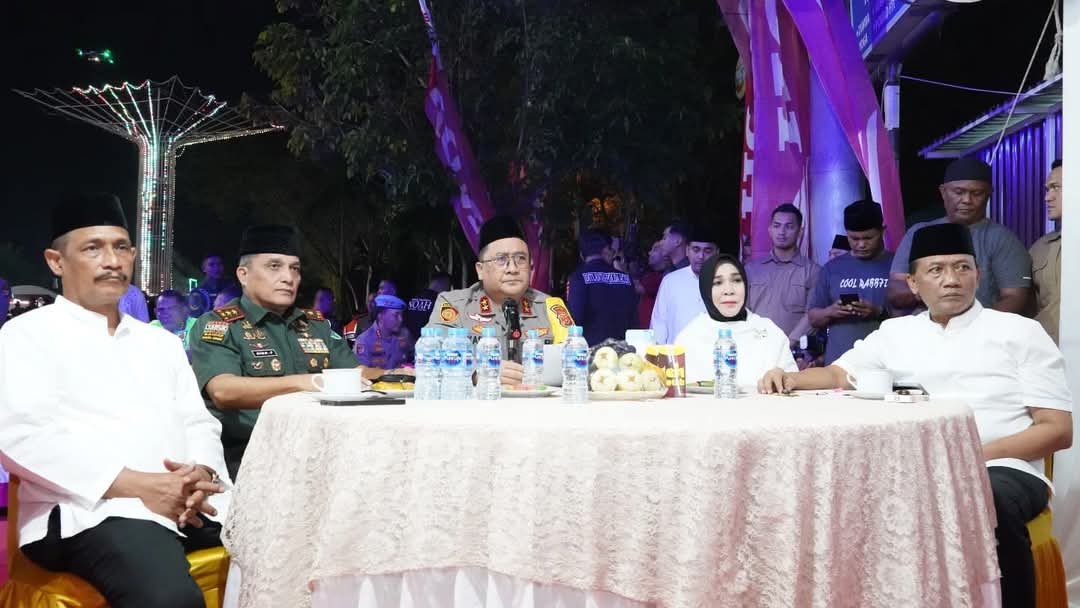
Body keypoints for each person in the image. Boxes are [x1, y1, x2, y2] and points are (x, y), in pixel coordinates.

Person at [759, 222, 1072, 608]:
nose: (951, 279)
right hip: (916, 464)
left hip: (1002, 467)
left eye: (962, 267)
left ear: (977, 275)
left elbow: (1057, 429)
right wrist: (789, 377)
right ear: (913, 283)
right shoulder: (896, 333)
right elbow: (840, 374)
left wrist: (970, 456)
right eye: (936, 270)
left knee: (986, 497)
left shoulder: (1021, 332)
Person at [0, 193, 230, 607]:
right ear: (56, 261)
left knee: (282, 548)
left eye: (121, 247)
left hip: (185, 499)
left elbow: (199, 422)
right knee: (168, 599)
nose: (112, 261)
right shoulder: (25, 336)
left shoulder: (159, 343)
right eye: (93, 248)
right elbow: (20, 437)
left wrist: (200, 473)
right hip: (84, 510)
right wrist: (140, 487)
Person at [188, 225, 363, 479]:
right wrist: (306, 383)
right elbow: (223, 391)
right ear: (243, 274)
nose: (288, 278)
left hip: (321, 447)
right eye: (274, 266)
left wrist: (400, 375)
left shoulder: (315, 325)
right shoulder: (220, 324)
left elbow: (358, 374)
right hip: (249, 453)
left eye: (295, 269)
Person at [427, 216, 566, 385]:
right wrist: (477, 373)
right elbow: (429, 358)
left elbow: (576, 358)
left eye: (520, 259)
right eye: (501, 260)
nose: (512, 269)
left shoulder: (549, 306)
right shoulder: (455, 305)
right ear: (480, 270)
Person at [887, 157, 1031, 315]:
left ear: (989, 194)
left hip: (980, 329)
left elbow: (1015, 298)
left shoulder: (1002, 239)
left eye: (977, 193)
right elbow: (895, 291)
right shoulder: (919, 233)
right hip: (925, 328)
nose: (967, 200)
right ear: (943, 192)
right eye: (959, 192)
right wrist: (938, 293)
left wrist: (974, 327)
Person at [675, 253, 797, 385]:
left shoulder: (770, 332)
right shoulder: (689, 337)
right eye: (718, 282)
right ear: (705, 289)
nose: (729, 290)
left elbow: (791, 383)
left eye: (737, 280)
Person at [808, 200, 894, 365]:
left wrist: (878, 312)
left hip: (884, 363)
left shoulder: (896, 265)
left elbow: (915, 318)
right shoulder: (831, 268)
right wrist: (831, 311)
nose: (861, 244)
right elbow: (813, 318)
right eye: (854, 238)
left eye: (868, 238)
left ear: (882, 231)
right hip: (838, 365)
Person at [745, 203, 821, 344]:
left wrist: (789, 343)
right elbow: (744, 311)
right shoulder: (751, 270)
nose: (782, 232)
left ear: (800, 231)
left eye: (789, 226)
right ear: (769, 230)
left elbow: (812, 315)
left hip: (793, 349)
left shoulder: (813, 271)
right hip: (755, 345)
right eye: (777, 226)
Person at [567, 229, 637, 345]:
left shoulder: (578, 277)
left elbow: (574, 318)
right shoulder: (626, 278)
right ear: (605, 250)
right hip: (623, 349)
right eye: (611, 250)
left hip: (589, 350)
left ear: (582, 255)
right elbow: (634, 320)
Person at [650, 227, 718, 343]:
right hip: (675, 353)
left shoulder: (725, 283)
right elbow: (659, 324)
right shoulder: (670, 281)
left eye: (707, 251)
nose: (701, 256)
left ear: (716, 253)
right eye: (696, 250)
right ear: (687, 251)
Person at [1030, 159, 1062, 344]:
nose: (1047, 198)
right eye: (1047, 189)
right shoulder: (1039, 248)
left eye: (1056, 187)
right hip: (1047, 349)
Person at [354, 294, 414, 370]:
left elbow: (416, 358)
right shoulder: (364, 340)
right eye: (396, 315)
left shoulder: (405, 334)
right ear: (381, 316)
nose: (401, 319)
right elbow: (362, 372)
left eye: (401, 315)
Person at [405, 271, 451, 340]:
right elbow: (449, 325)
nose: (448, 290)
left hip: (409, 341)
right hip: (429, 343)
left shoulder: (414, 298)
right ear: (445, 283)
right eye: (449, 286)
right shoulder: (441, 301)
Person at [637, 240, 669, 328]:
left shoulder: (664, 277)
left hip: (651, 332)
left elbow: (636, 288)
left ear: (666, 255)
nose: (649, 253)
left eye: (655, 249)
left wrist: (619, 272)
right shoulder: (652, 275)